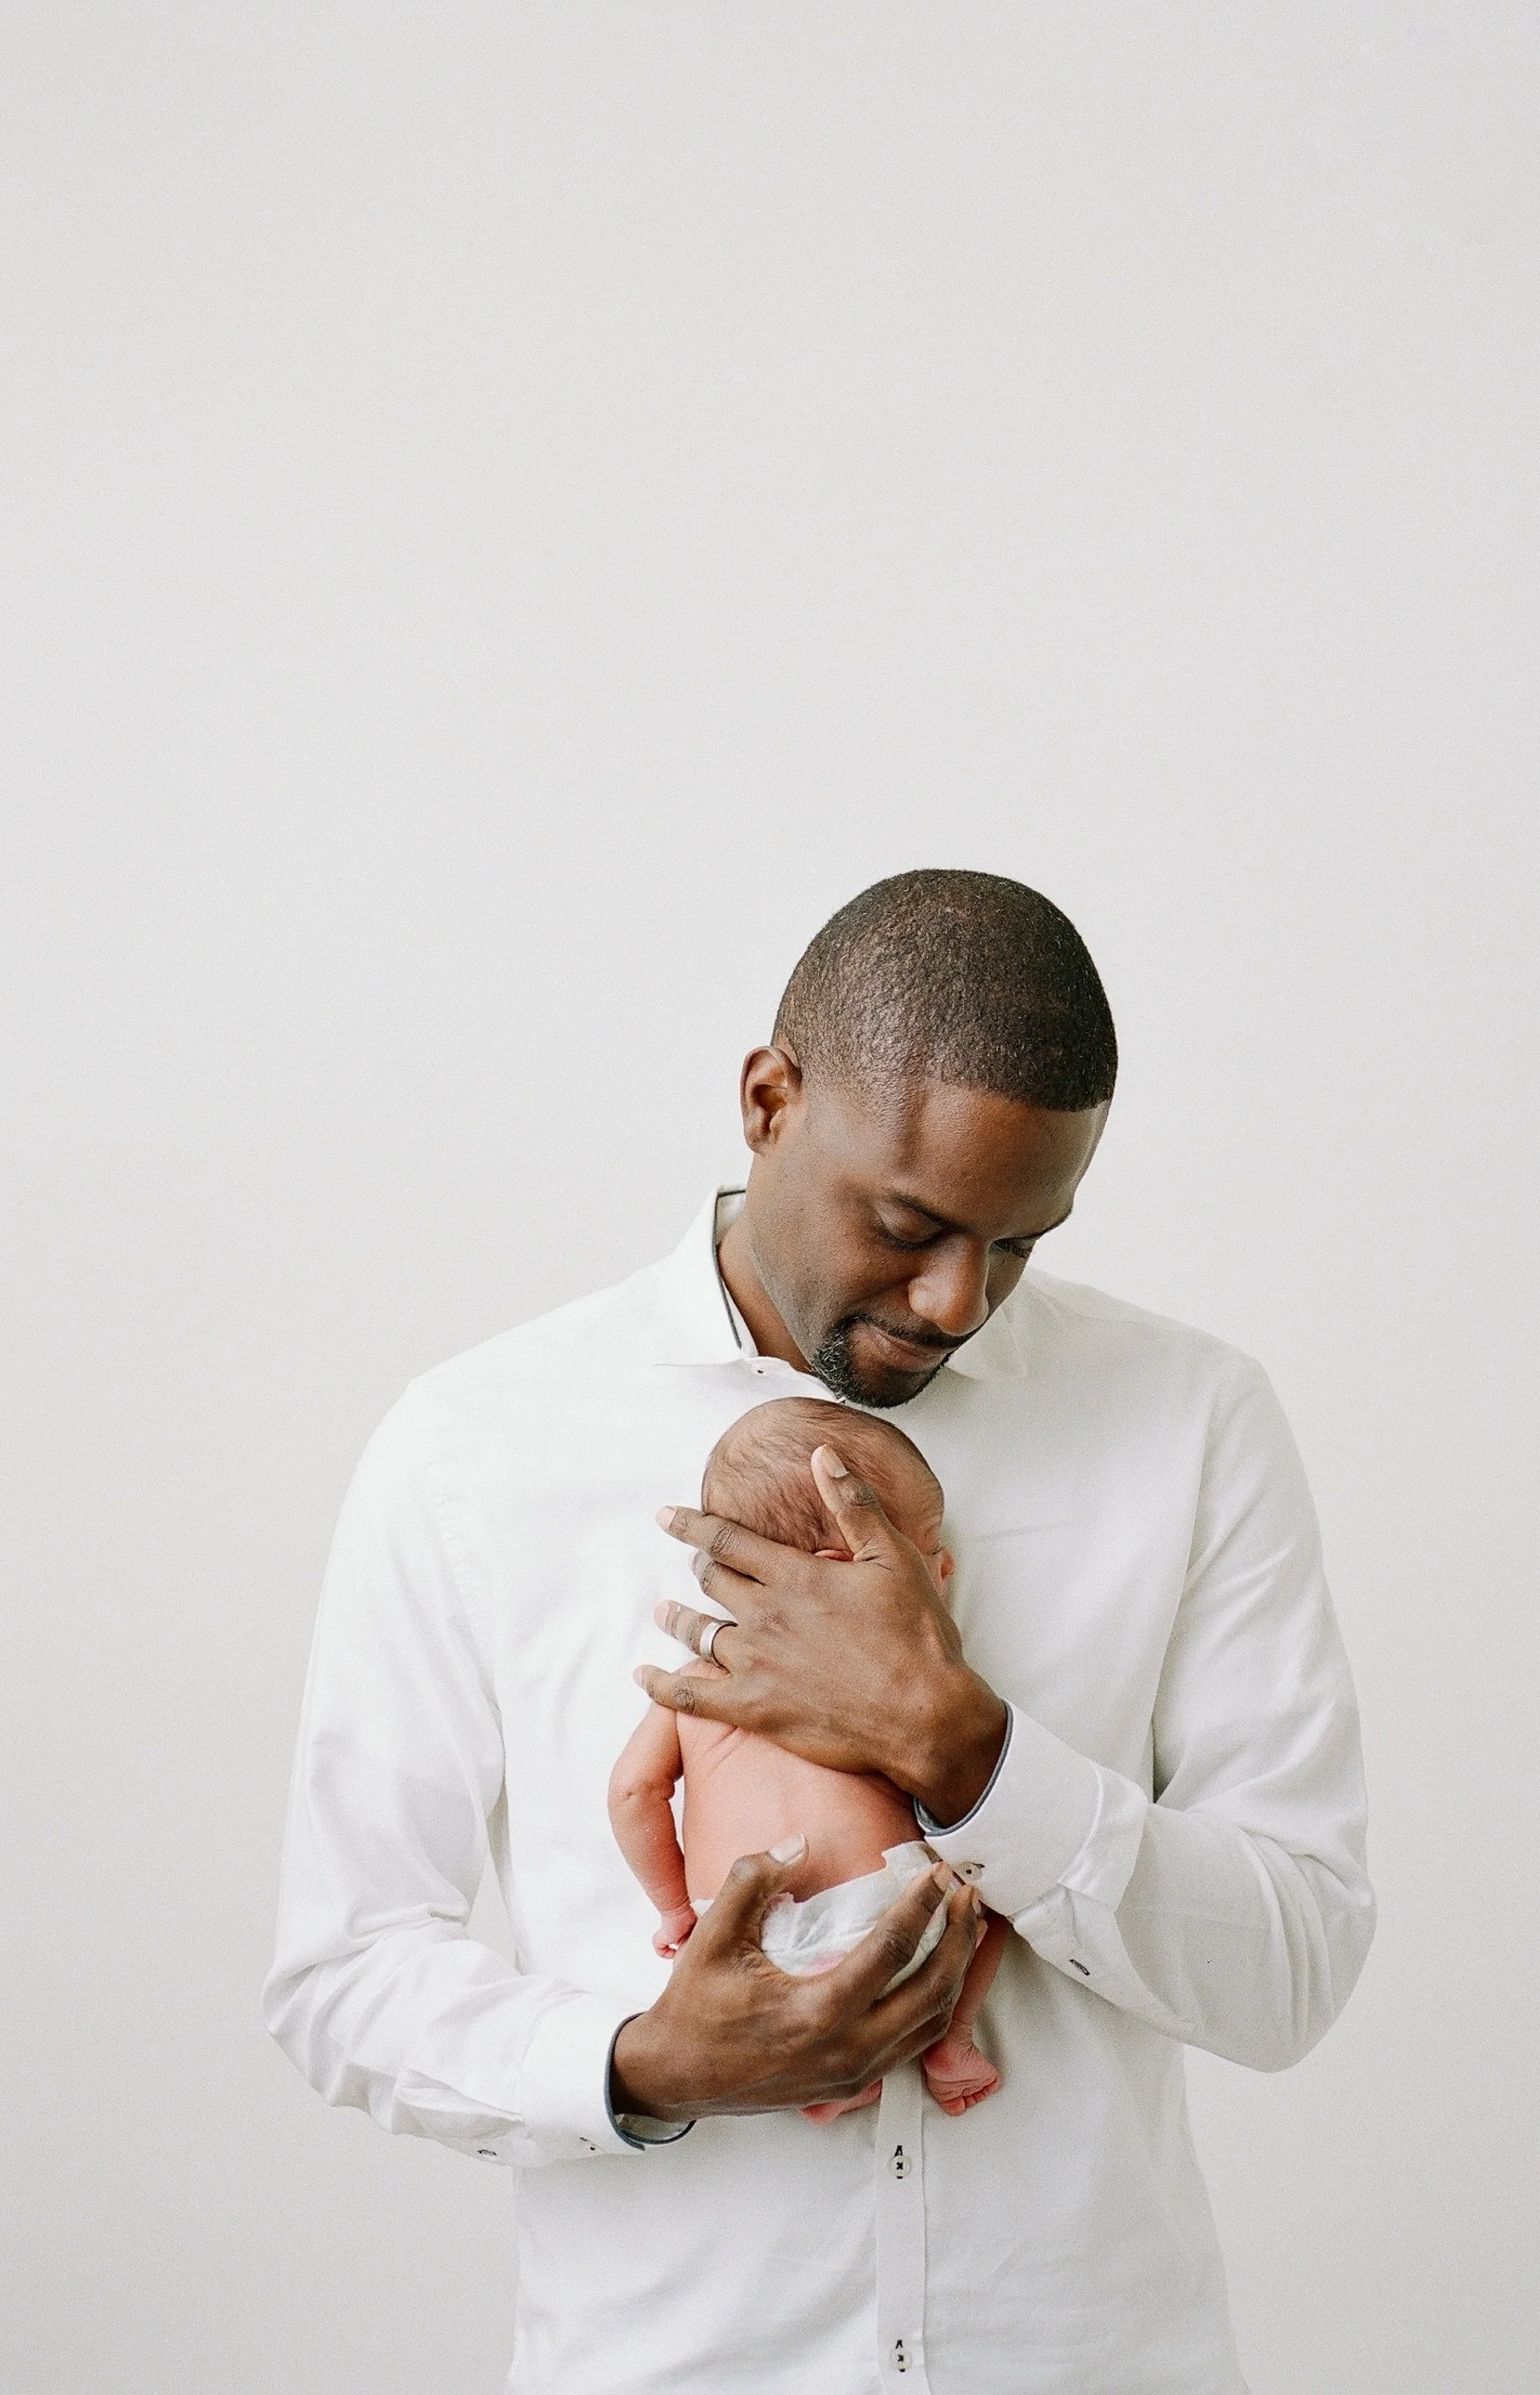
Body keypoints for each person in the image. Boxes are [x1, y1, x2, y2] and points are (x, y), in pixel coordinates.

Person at [264, 868, 1375, 2395]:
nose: (956, 1298)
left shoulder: (1190, 1422)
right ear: (769, 1098)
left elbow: (1291, 1971)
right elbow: (344, 1969)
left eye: (1020, 1242)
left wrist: (967, 1752)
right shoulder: (472, 1449)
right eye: (907, 1222)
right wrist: (645, 2062)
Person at [607, 1395, 1008, 2117]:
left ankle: (820, 2093)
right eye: (927, 1551)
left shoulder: (693, 1682)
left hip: (742, 1935)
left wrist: (673, 1909)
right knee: (998, 1899)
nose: (946, 1564)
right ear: (839, 1567)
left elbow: (635, 1792)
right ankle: (951, 2039)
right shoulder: (900, 1677)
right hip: (895, 1912)